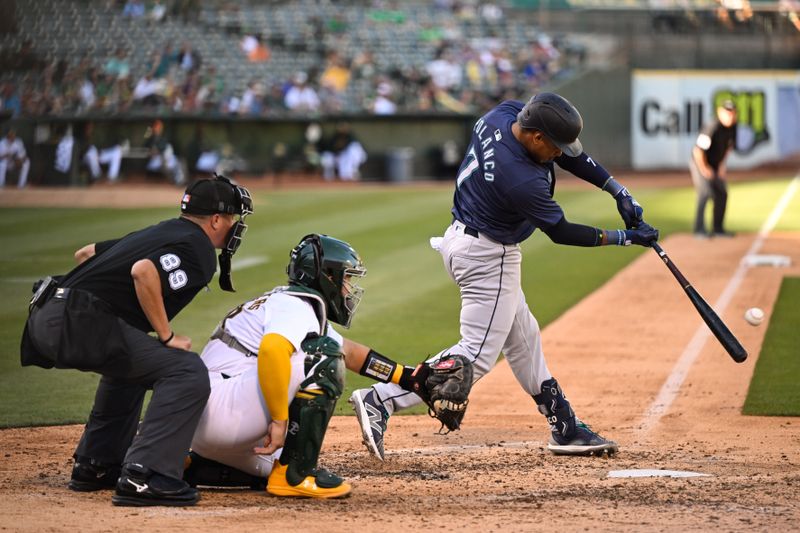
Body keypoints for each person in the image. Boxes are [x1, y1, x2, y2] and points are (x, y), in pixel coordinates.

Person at [349, 92, 660, 460]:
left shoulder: (508, 114)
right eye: (554, 147)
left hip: (466, 239)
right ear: (536, 137)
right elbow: (561, 232)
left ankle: (564, 424)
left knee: (523, 337)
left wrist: (616, 189)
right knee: (474, 358)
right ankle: (380, 399)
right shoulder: (519, 179)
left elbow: (573, 156)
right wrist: (626, 238)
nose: (560, 154)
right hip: (488, 257)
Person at [20, 176, 254, 507]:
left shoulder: (159, 230)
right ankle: (147, 475)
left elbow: (85, 253)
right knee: (185, 370)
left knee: (134, 365)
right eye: (232, 219)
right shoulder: (200, 248)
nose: (234, 227)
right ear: (216, 219)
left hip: (47, 314)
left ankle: (97, 465)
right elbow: (144, 272)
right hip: (76, 320)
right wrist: (167, 335)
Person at [184, 234, 439, 498]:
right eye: (347, 278)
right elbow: (273, 350)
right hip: (225, 412)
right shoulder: (296, 306)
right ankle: (295, 476)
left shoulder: (289, 302)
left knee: (269, 465)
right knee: (321, 360)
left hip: (201, 423)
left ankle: (199, 465)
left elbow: (349, 352)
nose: (348, 289)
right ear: (327, 276)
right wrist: (279, 420)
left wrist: (406, 377)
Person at [690, 99, 738, 238]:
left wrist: (722, 166)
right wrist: (704, 169)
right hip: (700, 163)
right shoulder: (712, 127)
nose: (730, 116)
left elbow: (728, 147)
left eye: (732, 113)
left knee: (722, 193)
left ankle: (718, 228)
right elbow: (698, 151)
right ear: (719, 112)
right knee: (705, 192)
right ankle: (699, 229)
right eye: (727, 112)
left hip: (715, 165)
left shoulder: (733, 127)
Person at [144, 119, 185, 186]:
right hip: (155, 161)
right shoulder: (150, 137)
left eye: (159, 127)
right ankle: (176, 180)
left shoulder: (163, 137)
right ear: (153, 127)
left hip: (165, 159)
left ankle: (179, 180)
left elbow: (164, 148)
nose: (158, 128)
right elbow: (147, 147)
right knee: (168, 163)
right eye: (156, 126)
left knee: (179, 162)